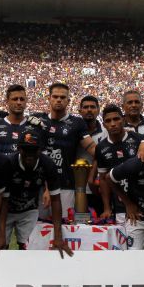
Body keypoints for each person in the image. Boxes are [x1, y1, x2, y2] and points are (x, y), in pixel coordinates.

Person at [35, 83, 96, 219]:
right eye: (55, 97)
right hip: (40, 186)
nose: (58, 100)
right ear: (49, 98)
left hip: (65, 185)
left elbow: (92, 148)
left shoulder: (77, 123)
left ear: (68, 101)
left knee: (63, 227)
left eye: (63, 97)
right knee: (38, 230)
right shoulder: (39, 120)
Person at [2, 129, 64, 252]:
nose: (29, 154)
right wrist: (0, 234)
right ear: (19, 149)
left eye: (34, 150)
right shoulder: (8, 163)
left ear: (40, 150)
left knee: (28, 248)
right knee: (1, 246)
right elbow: (2, 199)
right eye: (26, 149)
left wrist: (58, 235)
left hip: (29, 210)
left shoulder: (48, 164)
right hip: (6, 210)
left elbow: (56, 200)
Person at [94, 105, 144, 221]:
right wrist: (107, 208)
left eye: (116, 119)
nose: (112, 124)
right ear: (104, 125)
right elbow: (103, 179)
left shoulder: (139, 140)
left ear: (123, 119)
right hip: (119, 205)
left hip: (142, 201)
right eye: (108, 121)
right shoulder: (101, 147)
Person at [0, 84, 42, 155]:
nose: (19, 102)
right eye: (15, 99)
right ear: (7, 101)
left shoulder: (34, 127)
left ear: (26, 101)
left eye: (22, 99)